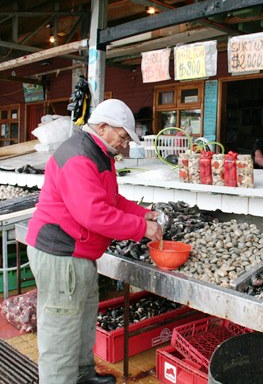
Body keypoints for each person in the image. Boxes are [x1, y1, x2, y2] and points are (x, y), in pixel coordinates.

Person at [25, 98, 163, 384]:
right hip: (61, 253)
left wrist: (144, 214)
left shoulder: (99, 153)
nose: (124, 144)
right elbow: (93, 213)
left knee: (82, 323)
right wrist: (141, 228)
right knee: (61, 333)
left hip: (79, 255)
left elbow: (111, 200)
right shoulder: (80, 156)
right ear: (102, 127)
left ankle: (83, 376)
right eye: (123, 136)